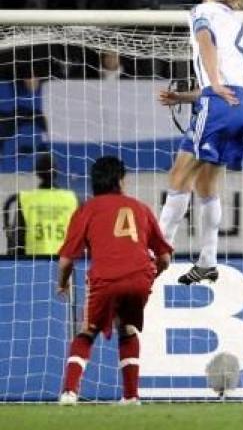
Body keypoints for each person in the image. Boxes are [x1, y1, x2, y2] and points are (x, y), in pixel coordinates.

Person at [157, 0, 243, 285]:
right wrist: (183, 97)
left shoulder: (202, 11)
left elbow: (205, 42)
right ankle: (208, 260)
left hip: (218, 101)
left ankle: (155, 253)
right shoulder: (241, 27)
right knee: (207, 185)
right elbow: (232, 78)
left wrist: (212, 83)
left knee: (179, 176)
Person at [57, 156, 172, 406]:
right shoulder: (140, 208)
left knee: (86, 329)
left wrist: (62, 283)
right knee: (127, 328)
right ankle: (131, 397)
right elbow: (164, 257)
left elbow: (66, 261)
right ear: (120, 181)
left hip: (106, 279)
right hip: (140, 278)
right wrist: (149, 279)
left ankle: (69, 393)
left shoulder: (87, 209)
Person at [3, 153, 77, 256]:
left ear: (37, 172)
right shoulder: (71, 198)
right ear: (56, 172)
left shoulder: (26, 199)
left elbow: (19, 239)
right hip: (65, 261)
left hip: (34, 261)